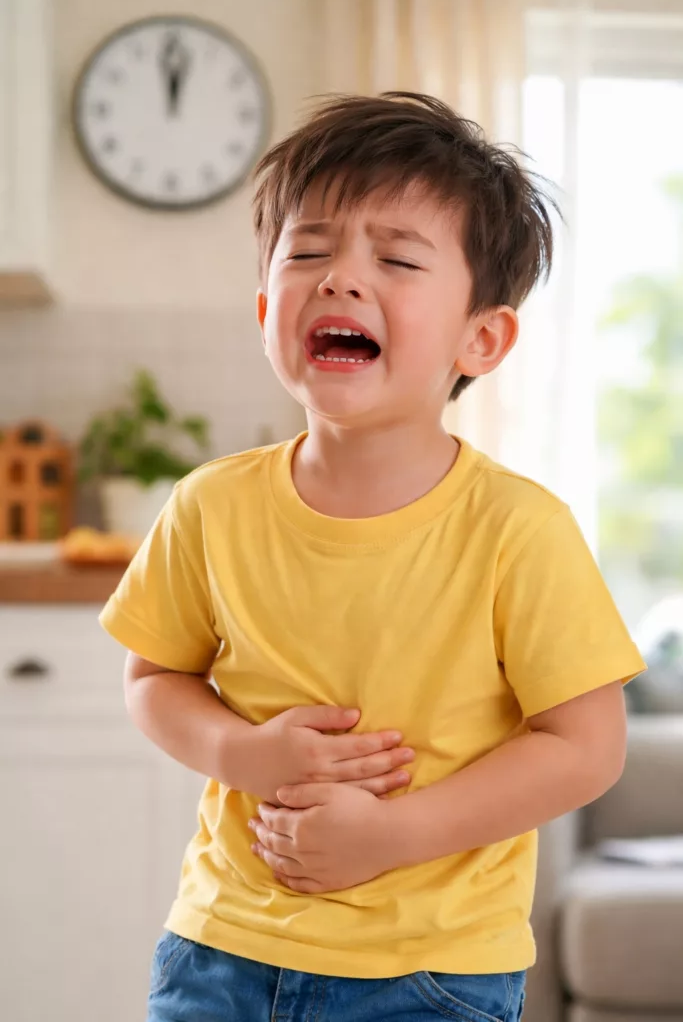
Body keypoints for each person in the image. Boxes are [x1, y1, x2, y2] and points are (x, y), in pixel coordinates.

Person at [100, 92, 646, 1022]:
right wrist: (243, 751)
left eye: (395, 259)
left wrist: (394, 835)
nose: (341, 280)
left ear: (483, 336)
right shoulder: (208, 505)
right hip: (219, 947)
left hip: (430, 974)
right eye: (309, 252)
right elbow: (154, 677)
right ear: (269, 308)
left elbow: (586, 748)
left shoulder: (519, 529)